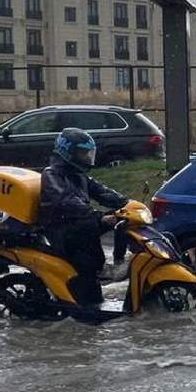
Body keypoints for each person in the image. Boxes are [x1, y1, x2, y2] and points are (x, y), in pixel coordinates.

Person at [39, 128, 129, 306]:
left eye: (88, 154)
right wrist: (99, 218)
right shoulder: (52, 175)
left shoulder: (79, 175)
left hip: (80, 223)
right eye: (82, 153)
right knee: (87, 256)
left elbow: (102, 192)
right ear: (67, 152)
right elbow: (66, 201)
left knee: (123, 219)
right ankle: (96, 272)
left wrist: (126, 203)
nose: (87, 158)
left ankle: (119, 262)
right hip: (62, 229)